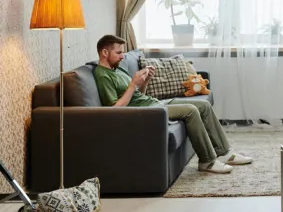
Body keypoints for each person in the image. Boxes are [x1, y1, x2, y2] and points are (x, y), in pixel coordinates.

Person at [93, 34, 254, 174]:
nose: (122, 56)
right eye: (119, 52)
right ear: (105, 52)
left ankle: (224, 152)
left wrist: (145, 81)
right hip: (146, 112)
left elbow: (138, 96)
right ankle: (207, 161)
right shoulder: (102, 75)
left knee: (203, 106)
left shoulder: (117, 69)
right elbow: (114, 110)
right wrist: (133, 84)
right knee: (190, 111)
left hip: (152, 104)